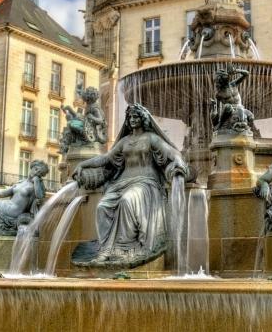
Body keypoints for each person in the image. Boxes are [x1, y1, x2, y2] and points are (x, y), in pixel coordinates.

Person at [71, 103, 189, 268]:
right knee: (102, 207)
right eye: (130, 117)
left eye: (136, 117)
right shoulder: (125, 141)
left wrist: (177, 160)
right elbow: (105, 158)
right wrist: (83, 165)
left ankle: (125, 249)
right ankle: (106, 249)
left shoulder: (151, 138)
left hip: (146, 182)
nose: (132, 120)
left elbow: (172, 152)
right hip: (122, 182)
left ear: (143, 119)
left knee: (127, 201)